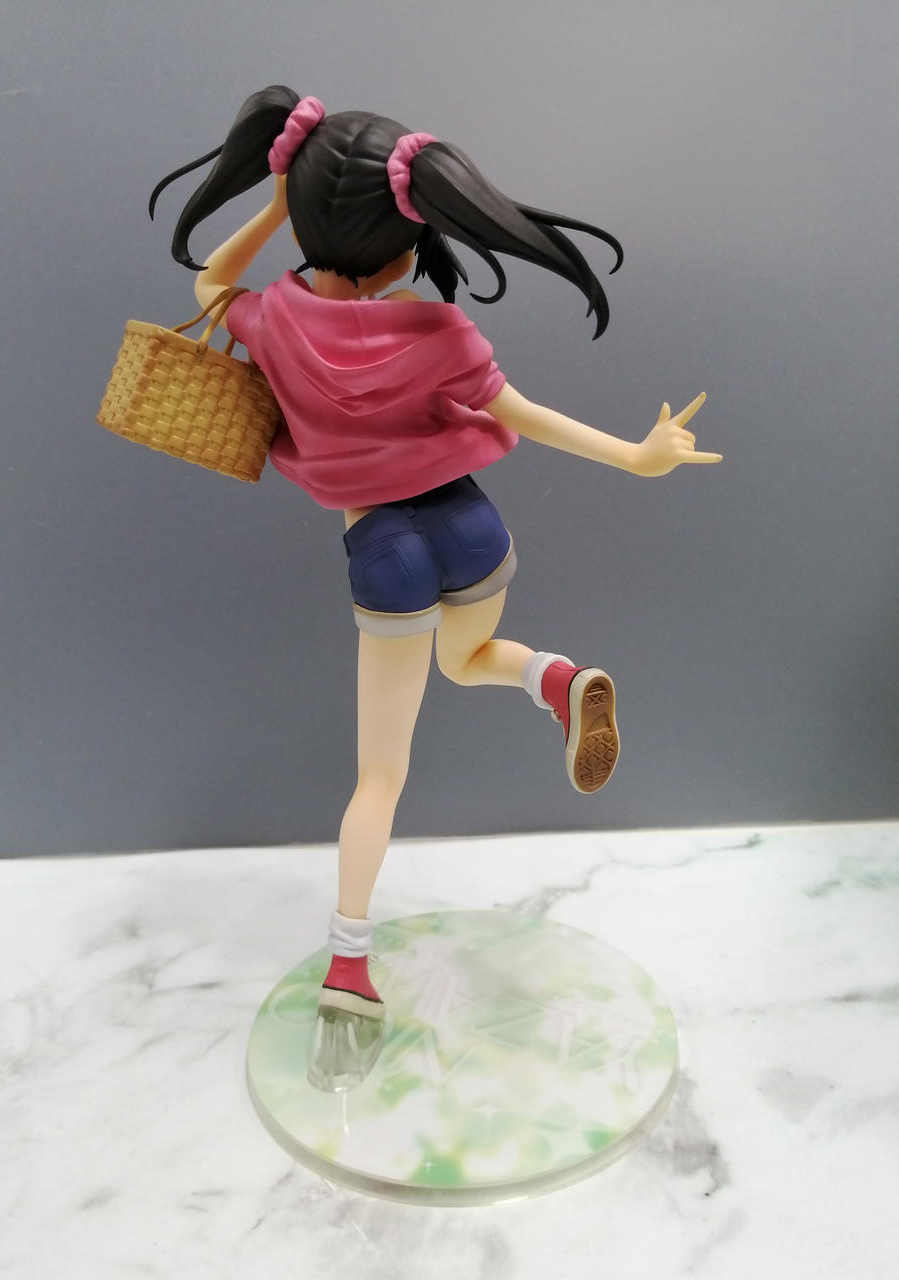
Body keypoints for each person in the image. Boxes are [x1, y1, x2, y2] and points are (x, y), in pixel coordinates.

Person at [150, 86, 720, 1090]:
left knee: (379, 778)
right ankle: (557, 679)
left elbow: (208, 280)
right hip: (472, 526)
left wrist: (277, 204)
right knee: (469, 659)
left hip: (386, 552)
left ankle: (349, 973)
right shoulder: (437, 331)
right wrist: (638, 456)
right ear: (408, 239)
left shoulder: (273, 320)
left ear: (309, 222)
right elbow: (530, 415)